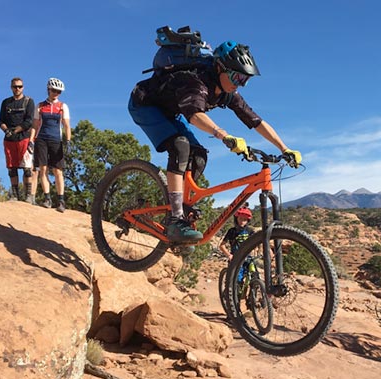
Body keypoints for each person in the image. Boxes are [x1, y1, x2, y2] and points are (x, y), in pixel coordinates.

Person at [128, 40, 302, 242]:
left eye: (245, 80)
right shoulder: (195, 82)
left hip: (171, 112)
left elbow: (256, 121)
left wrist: (285, 148)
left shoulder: (228, 94)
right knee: (180, 146)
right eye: (237, 77)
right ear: (220, 68)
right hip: (145, 105)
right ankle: (176, 220)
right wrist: (224, 135)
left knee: (199, 156)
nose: (240, 84)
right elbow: (194, 115)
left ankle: (180, 212)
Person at [28, 78, 71, 212]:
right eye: (54, 90)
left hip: (56, 140)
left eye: (58, 91)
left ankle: (61, 200)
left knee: (58, 171)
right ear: (48, 90)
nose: (56, 93)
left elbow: (66, 125)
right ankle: (47, 198)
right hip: (41, 139)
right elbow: (35, 125)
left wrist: (68, 140)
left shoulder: (63, 106)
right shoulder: (40, 106)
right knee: (43, 169)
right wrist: (31, 140)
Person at [0, 77, 36, 202]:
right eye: (15, 86)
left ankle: (28, 195)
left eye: (19, 86)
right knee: (11, 168)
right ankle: (15, 195)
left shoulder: (28, 101)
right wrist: (6, 130)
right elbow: (1, 121)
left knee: (27, 168)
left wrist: (15, 130)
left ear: (23, 87)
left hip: (24, 138)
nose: (17, 89)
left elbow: (29, 121)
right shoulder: (6, 103)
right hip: (9, 140)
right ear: (11, 87)